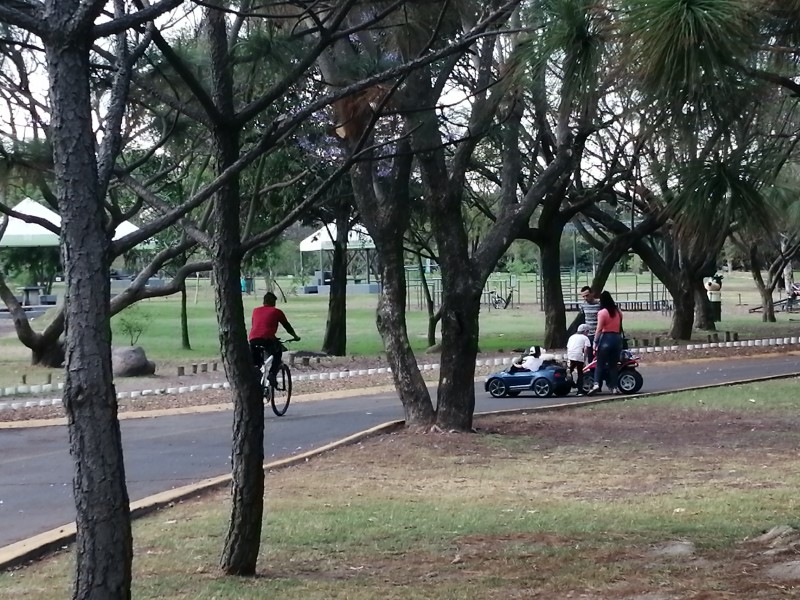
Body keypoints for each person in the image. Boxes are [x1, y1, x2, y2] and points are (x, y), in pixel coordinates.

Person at [249, 291, 300, 386]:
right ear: (273, 302)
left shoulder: (255, 311)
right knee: (277, 353)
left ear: (264, 301)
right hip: (267, 339)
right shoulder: (276, 311)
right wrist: (295, 337)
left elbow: (257, 326)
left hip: (253, 339)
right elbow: (287, 326)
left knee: (257, 364)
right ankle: (272, 374)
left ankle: (258, 383)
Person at [587, 291, 623, 396]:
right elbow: (620, 327)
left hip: (606, 338)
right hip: (617, 339)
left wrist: (595, 342)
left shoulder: (602, 313)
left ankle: (596, 384)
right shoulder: (618, 312)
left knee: (600, 364)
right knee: (613, 365)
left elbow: (599, 329)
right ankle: (614, 386)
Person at [566, 323, 591, 396]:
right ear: (585, 331)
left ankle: (571, 385)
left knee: (570, 370)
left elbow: (568, 347)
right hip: (579, 355)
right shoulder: (585, 338)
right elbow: (586, 348)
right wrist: (584, 357)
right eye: (587, 332)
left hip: (570, 355)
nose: (588, 333)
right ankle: (579, 390)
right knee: (580, 373)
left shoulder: (572, 337)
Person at [579, 286, 600, 361]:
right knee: (590, 356)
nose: (585, 298)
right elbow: (582, 318)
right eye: (583, 296)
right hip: (589, 335)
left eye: (587, 295)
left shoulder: (599, 304)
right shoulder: (583, 305)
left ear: (592, 293)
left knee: (599, 356)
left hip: (599, 334)